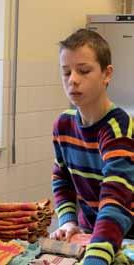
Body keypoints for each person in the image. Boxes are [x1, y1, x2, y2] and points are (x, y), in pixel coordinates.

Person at [50, 28, 134, 265]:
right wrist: (68, 220)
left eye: (83, 71)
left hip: (125, 236)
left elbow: (115, 200)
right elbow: (62, 179)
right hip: (90, 235)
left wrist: (96, 258)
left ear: (107, 74)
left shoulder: (118, 129)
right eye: (66, 72)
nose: (73, 80)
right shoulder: (63, 125)